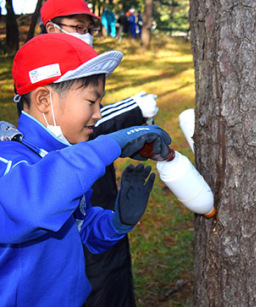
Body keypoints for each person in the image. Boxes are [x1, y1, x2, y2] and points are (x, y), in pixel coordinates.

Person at [0, 33, 171, 306]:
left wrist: (117, 222)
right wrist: (109, 144)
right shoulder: (7, 159)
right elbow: (33, 209)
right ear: (43, 100)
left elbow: (81, 229)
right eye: (91, 102)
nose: (99, 114)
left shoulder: (63, 158)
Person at [39, 0, 159, 305]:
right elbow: (70, 134)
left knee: (115, 273)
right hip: (73, 253)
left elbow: (90, 225)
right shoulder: (40, 76)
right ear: (51, 28)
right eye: (79, 28)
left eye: (90, 28)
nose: (88, 35)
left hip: (98, 202)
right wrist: (128, 118)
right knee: (98, 284)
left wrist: (117, 222)